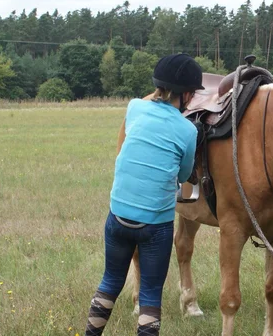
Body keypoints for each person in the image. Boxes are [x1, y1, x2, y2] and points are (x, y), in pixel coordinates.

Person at [84, 53, 202, 336]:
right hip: (155, 227)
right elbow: (185, 175)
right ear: (186, 94)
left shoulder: (134, 107)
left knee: (110, 282)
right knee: (150, 295)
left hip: (117, 217)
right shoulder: (187, 130)